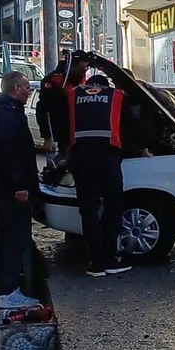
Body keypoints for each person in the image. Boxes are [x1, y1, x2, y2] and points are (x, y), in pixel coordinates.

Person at [0, 71, 42, 309]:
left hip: (5, 187)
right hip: (11, 190)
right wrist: (19, 185)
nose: (28, 91)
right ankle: (8, 291)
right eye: (26, 87)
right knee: (13, 238)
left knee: (10, 237)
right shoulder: (6, 114)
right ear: (15, 89)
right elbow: (6, 153)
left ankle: (9, 288)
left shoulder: (1, 111)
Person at [63, 74, 132, 277]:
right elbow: (129, 125)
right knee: (113, 206)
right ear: (105, 85)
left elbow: (61, 122)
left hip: (80, 157)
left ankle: (95, 262)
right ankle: (111, 259)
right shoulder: (117, 95)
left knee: (88, 209)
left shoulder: (74, 96)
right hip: (107, 157)